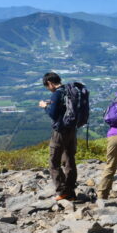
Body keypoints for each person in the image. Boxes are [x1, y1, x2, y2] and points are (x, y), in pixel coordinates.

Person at [39, 72, 78, 200]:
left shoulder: (57, 94)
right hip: (72, 130)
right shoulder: (70, 91)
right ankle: (71, 190)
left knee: (54, 161)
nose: (48, 89)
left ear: (50, 83)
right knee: (69, 159)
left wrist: (45, 107)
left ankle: (62, 191)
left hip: (60, 132)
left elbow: (54, 114)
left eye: (47, 86)